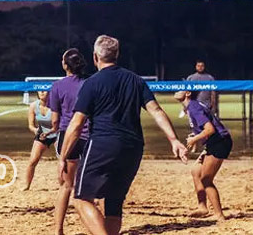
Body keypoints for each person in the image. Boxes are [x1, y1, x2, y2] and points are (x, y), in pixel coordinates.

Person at [59, 35, 188, 235]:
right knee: (113, 203)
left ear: (95, 57)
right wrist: (173, 140)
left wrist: (64, 156)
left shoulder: (92, 83)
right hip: (133, 147)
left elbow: (76, 125)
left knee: (80, 198)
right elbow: (156, 111)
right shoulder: (135, 80)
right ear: (117, 55)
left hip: (103, 144)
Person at [47, 48, 91, 235]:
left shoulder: (57, 86)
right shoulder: (90, 83)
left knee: (66, 186)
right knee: (93, 188)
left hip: (68, 136)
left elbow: (55, 120)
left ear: (65, 65)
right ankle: (100, 228)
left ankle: (58, 229)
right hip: (90, 135)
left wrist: (54, 131)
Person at [174, 90, 232, 221]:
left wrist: (194, 140)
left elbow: (210, 129)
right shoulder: (192, 106)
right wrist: (195, 137)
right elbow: (206, 129)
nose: (176, 91)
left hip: (220, 142)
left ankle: (219, 215)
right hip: (214, 142)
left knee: (206, 179)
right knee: (196, 171)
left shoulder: (193, 107)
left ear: (187, 93)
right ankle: (202, 207)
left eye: (179, 90)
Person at [23, 90, 58, 191]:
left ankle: (66, 184)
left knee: (62, 160)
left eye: (45, 91)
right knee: (32, 161)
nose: (42, 92)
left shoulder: (55, 106)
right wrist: (35, 130)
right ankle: (27, 185)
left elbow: (58, 125)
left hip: (56, 133)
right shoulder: (33, 106)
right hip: (42, 134)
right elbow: (30, 125)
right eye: (40, 90)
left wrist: (49, 133)